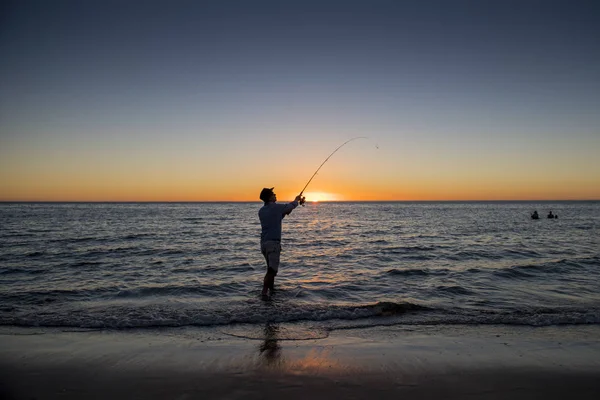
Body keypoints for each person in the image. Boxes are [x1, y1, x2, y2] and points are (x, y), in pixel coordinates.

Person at [258, 187, 304, 298]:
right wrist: (297, 200)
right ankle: (264, 293)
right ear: (269, 197)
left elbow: (281, 214)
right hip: (273, 243)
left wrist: (288, 209)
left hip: (264, 244)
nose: (275, 195)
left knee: (270, 268)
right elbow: (290, 206)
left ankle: (272, 291)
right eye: (273, 194)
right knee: (272, 270)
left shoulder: (261, 211)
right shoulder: (276, 208)